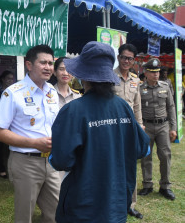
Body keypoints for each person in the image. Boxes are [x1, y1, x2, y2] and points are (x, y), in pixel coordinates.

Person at [49, 41, 150, 223]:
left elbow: (60, 160)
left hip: (83, 206)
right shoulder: (123, 107)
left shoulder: (73, 110)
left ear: (83, 76)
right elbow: (143, 148)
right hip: (117, 204)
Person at [0, 45, 61, 223]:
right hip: (25, 162)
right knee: (25, 215)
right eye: (43, 62)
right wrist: (34, 143)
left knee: (58, 211)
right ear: (29, 65)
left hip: (51, 162)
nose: (48, 67)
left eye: (51, 63)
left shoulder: (52, 92)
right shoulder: (13, 93)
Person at [139, 58, 177, 200]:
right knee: (146, 156)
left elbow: (171, 108)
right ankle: (147, 184)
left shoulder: (165, 87)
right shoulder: (140, 89)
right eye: (152, 72)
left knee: (165, 155)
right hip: (146, 126)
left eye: (157, 72)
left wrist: (173, 128)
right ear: (146, 73)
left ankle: (165, 186)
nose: (156, 75)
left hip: (163, 126)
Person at [113, 43, 144, 219]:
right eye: (123, 57)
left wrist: (140, 126)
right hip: (113, 128)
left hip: (130, 130)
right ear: (118, 57)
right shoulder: (109, 77)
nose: (126, 61)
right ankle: (114, 201)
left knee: (130, 167)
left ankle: (130, 205)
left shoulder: (135, 80)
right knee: (113, 165)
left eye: (130, 58)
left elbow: (137, 105)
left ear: (133, 61)